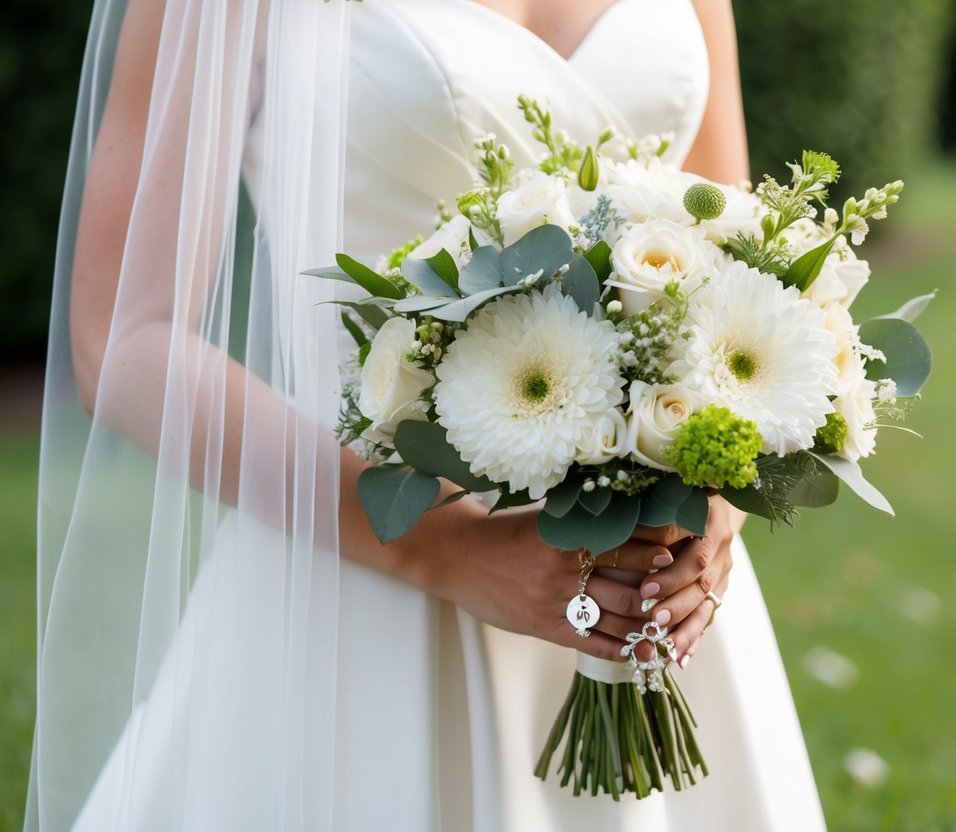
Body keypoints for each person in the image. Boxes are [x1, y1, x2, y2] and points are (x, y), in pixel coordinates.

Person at [29, 0, 827, 828]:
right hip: (363, 573)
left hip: (653, 577)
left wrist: (717, 499)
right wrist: (450, 553)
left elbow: (741, 264)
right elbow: (122, 341)